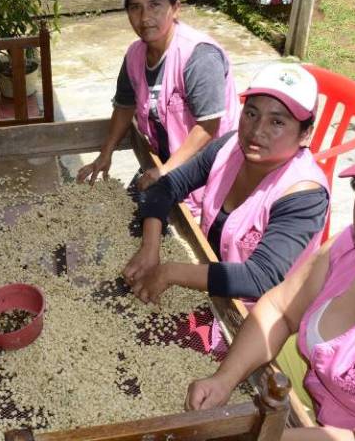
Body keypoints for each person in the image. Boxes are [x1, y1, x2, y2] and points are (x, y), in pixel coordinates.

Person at [186, 121, 355, 439]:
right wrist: (223, 379)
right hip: (305, 396)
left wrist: (257, 435)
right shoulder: (349, 247)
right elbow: (280, 308)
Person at [123, 63, 329, 303]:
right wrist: (150, 249)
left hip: (261, 314)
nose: (257, 131)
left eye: (277, 122)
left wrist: (170, 272)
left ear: (305, 134)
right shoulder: (231, 147)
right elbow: (168, 185)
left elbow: (261, 277)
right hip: (211, 278)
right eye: (251, 114)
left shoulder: (304, 195)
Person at [77, 0, 240, 216]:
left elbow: (208, 126)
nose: (145, 17)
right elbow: (124, 106)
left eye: (155, 5)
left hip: (209, 171)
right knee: (129, 215)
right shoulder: (135, 54)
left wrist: (166, 171)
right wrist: (106, 153)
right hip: (164, 158)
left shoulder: (198, 56)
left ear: (175, 9)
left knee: (170, 227)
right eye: (135, 7)